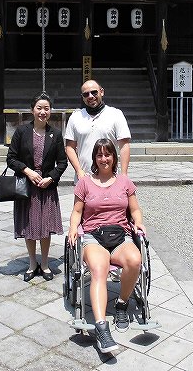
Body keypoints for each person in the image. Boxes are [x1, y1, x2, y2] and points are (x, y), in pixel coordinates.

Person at [68, 138, 145, 354]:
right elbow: (76, 212)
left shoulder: (125, 182)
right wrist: (73, 228)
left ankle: (121, 302)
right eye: (99, 155)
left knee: (135, 260)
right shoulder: (84, 183)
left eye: (108, 154)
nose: (104, 159)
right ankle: (101, 326)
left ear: (114, 157)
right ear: (94, 158)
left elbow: (135, 210)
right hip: (94, 236)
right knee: (99, 269)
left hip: (121, 235)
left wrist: (138, 222)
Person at [7, 92, 68, 281]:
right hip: (27, 186)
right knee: (29, 225)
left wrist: (50, 178)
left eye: (46, 108)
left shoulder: (56, 134)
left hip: (46, 188)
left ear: (50, 111)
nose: (43, 112)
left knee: (45, 226)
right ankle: (32, 262)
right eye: (39, 108)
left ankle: (45, 263)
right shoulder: (21, 132)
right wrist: (28, 171)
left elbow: (62, 162)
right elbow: (11, 158)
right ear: (32, 110)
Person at [64, 80, 131, 181]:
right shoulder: (75, 117)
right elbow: (70, 147)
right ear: (82, 97)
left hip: (111, 177)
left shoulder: (116, 114)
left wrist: (124, 174)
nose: (90, 96)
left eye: (94, 92)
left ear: (102, 92)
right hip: (84, 178)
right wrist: (79, 171)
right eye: (86, 94)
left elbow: (124, 145)